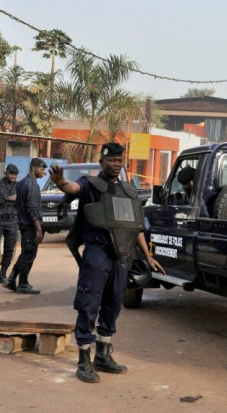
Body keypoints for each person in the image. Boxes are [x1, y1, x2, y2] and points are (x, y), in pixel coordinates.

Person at [49, 142, 165, 383]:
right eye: (111, 160)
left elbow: (136, 228)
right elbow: (72, 187)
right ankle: (83, 361)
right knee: (89, 304)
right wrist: (61, 183)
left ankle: (103, 356)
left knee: (113, 305)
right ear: (102, 162)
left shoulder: (128, 191)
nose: (115, 164)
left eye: (119, 160)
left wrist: (148, 256)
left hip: (120, 257)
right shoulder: (90, 185)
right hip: (97, 254)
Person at [4, 158, 46, 294]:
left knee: (25, 253)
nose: (43, 172)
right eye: (41, 169)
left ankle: (12, 279)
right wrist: (38, 228)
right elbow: (32, 209)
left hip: (23, 224)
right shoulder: (32, 185)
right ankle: (22, 283)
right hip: (30, 226)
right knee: (29, 254)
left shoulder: (21, 183)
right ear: (33, 168)